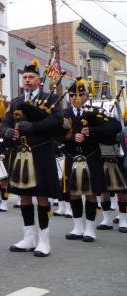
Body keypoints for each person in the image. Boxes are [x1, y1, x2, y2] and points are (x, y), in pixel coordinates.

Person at [3, 59, 62, 258]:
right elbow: (4, 124)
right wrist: (9, 131)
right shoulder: (16, 102)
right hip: (21, 153)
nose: (27, 80)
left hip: (42, 152)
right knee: (24, 196)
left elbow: (57, 123)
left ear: (39, 80)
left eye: (31, 77)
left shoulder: (50, 99)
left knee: (42, 196)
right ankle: (29, 237)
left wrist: (34, 127)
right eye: (25, 77)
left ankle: (44, 240)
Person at [61, 79, 120, 242]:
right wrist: (71, 137)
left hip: (91, 156)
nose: (75, 98)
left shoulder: (96, 111)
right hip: (72, 156)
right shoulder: (64, 114)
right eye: (72, 95)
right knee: (73, 193)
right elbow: (54, 134)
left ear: (86, 95)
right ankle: (77, 227)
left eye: (80, 94)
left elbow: (115, 127)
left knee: (90, 193)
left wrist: (92, 131)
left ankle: (90, 229)